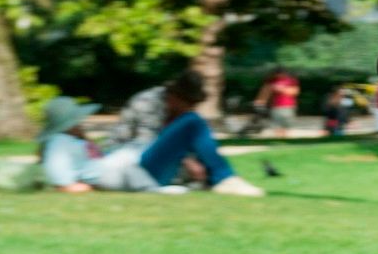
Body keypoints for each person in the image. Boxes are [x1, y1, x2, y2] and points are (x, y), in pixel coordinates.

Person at [41, 80, 264, 195]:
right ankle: (223, 178)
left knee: (189, 124)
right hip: (135, 170)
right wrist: (95, 185)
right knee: (191, 122)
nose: (82, 124)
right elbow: (64, 184)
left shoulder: (73, 143)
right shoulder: (58, 144)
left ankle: (219, 177)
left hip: (136, 166)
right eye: (77, 120)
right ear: (67, 124)